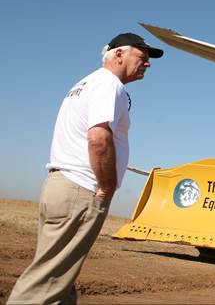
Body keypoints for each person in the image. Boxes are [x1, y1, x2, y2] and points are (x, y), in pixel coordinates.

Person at [8, 33, 163, 305]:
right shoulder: (108, 85)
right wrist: (105, 187)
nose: (148, 64)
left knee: (60, 280)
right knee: (45, 285)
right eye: (143, 57)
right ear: (118, 55)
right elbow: (98, 137)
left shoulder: (85, 84)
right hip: (81, 190)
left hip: (62, 185)